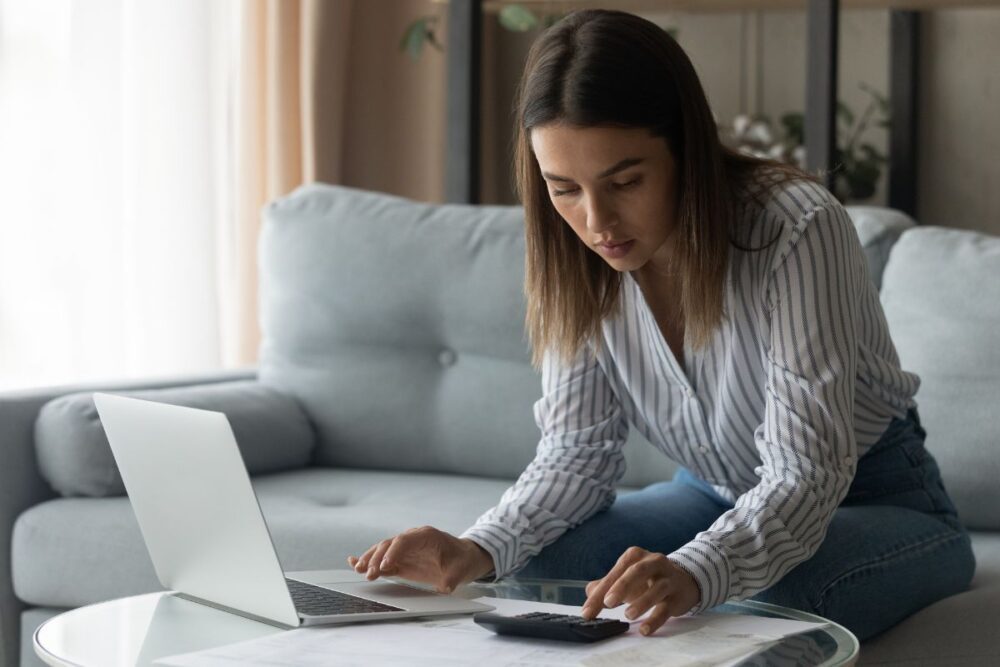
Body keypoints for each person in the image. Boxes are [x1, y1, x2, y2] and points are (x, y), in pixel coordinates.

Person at [347, 8, 975, 640]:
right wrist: (474, 548)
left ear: (685, 149)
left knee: (778, 597)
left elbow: (804, 474)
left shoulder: (795, 227)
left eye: (625, 181)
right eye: (563, 188)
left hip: (881, 498)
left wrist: (698, 570)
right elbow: (575, 455)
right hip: (712, 493)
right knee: (542, 566)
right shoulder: (577, 257)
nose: (597, 223)